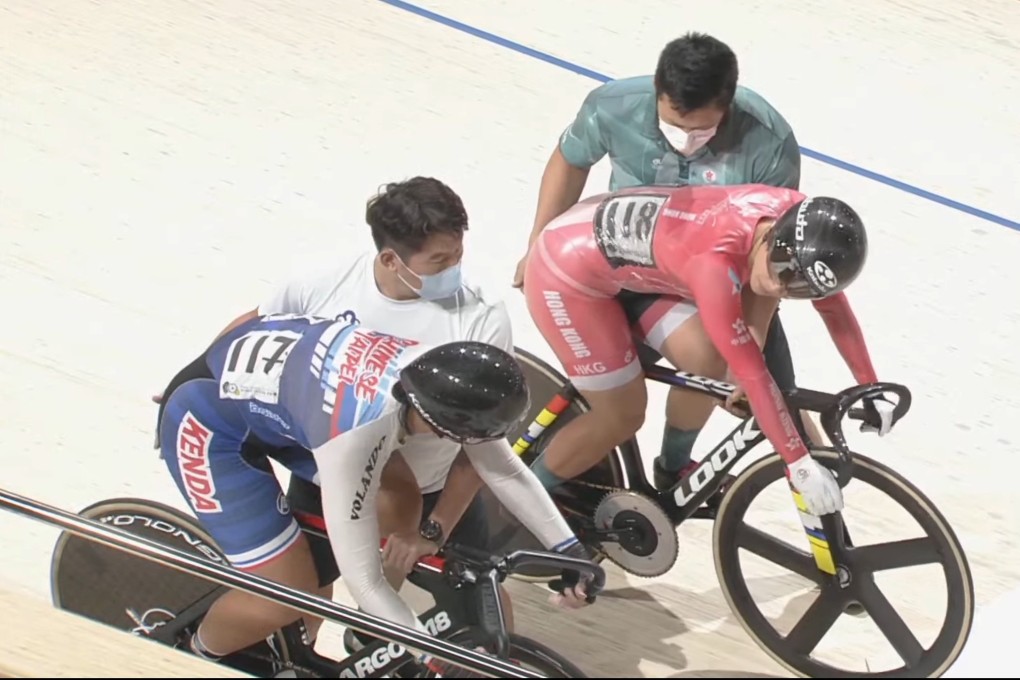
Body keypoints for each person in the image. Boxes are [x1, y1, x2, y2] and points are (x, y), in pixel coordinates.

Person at [153, 176, 518, 652]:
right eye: (440, 261)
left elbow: (484, 446)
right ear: (391, 259)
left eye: (459, 254)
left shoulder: (482, 317)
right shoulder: (323, 281)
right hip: (333, 453)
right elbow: (253, 327)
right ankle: (218, 655)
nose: (456, 269)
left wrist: (435, 530)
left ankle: (374, 621)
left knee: (489, 608)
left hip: (426, 479)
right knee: (299, 595)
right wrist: (193, 377)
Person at [157, 313, 597, 666]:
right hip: (208, 421)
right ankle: (189, 657)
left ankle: (345, 635)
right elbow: (364, 581)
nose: (476, 446)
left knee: (401, 499)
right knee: (282, 597)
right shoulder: (355, 433)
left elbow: (505, 470)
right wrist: (430, 654)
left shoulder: (437, 371)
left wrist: (570, 550)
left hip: (283, 409)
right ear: (444, 426)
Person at [514, 32, 822, 496]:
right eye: (674, 125)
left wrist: (753, 344)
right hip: (620, 268)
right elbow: (569, 160)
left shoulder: (770, 141)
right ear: (656, 91)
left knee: (753, 386)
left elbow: (768, 261)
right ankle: (527, 502)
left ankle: (673, 466)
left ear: (729, 104)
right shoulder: (613, 104)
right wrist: (537, 239)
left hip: (712, 272)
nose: (686, 142)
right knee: (638, 400)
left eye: (702, 130)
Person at [522, 183, 899, 517]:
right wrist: (798, 463)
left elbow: (834, 308)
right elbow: (752, 372)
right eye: (783, 270)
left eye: (800, 289)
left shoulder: (798, 219)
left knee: (709, 360)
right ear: (773, 237)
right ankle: (522, 502)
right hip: (566, 272)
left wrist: (872, 385)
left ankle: (672, 467)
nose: (782, 287)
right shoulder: (715, 265)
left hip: (629, 262)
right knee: (622, 414)